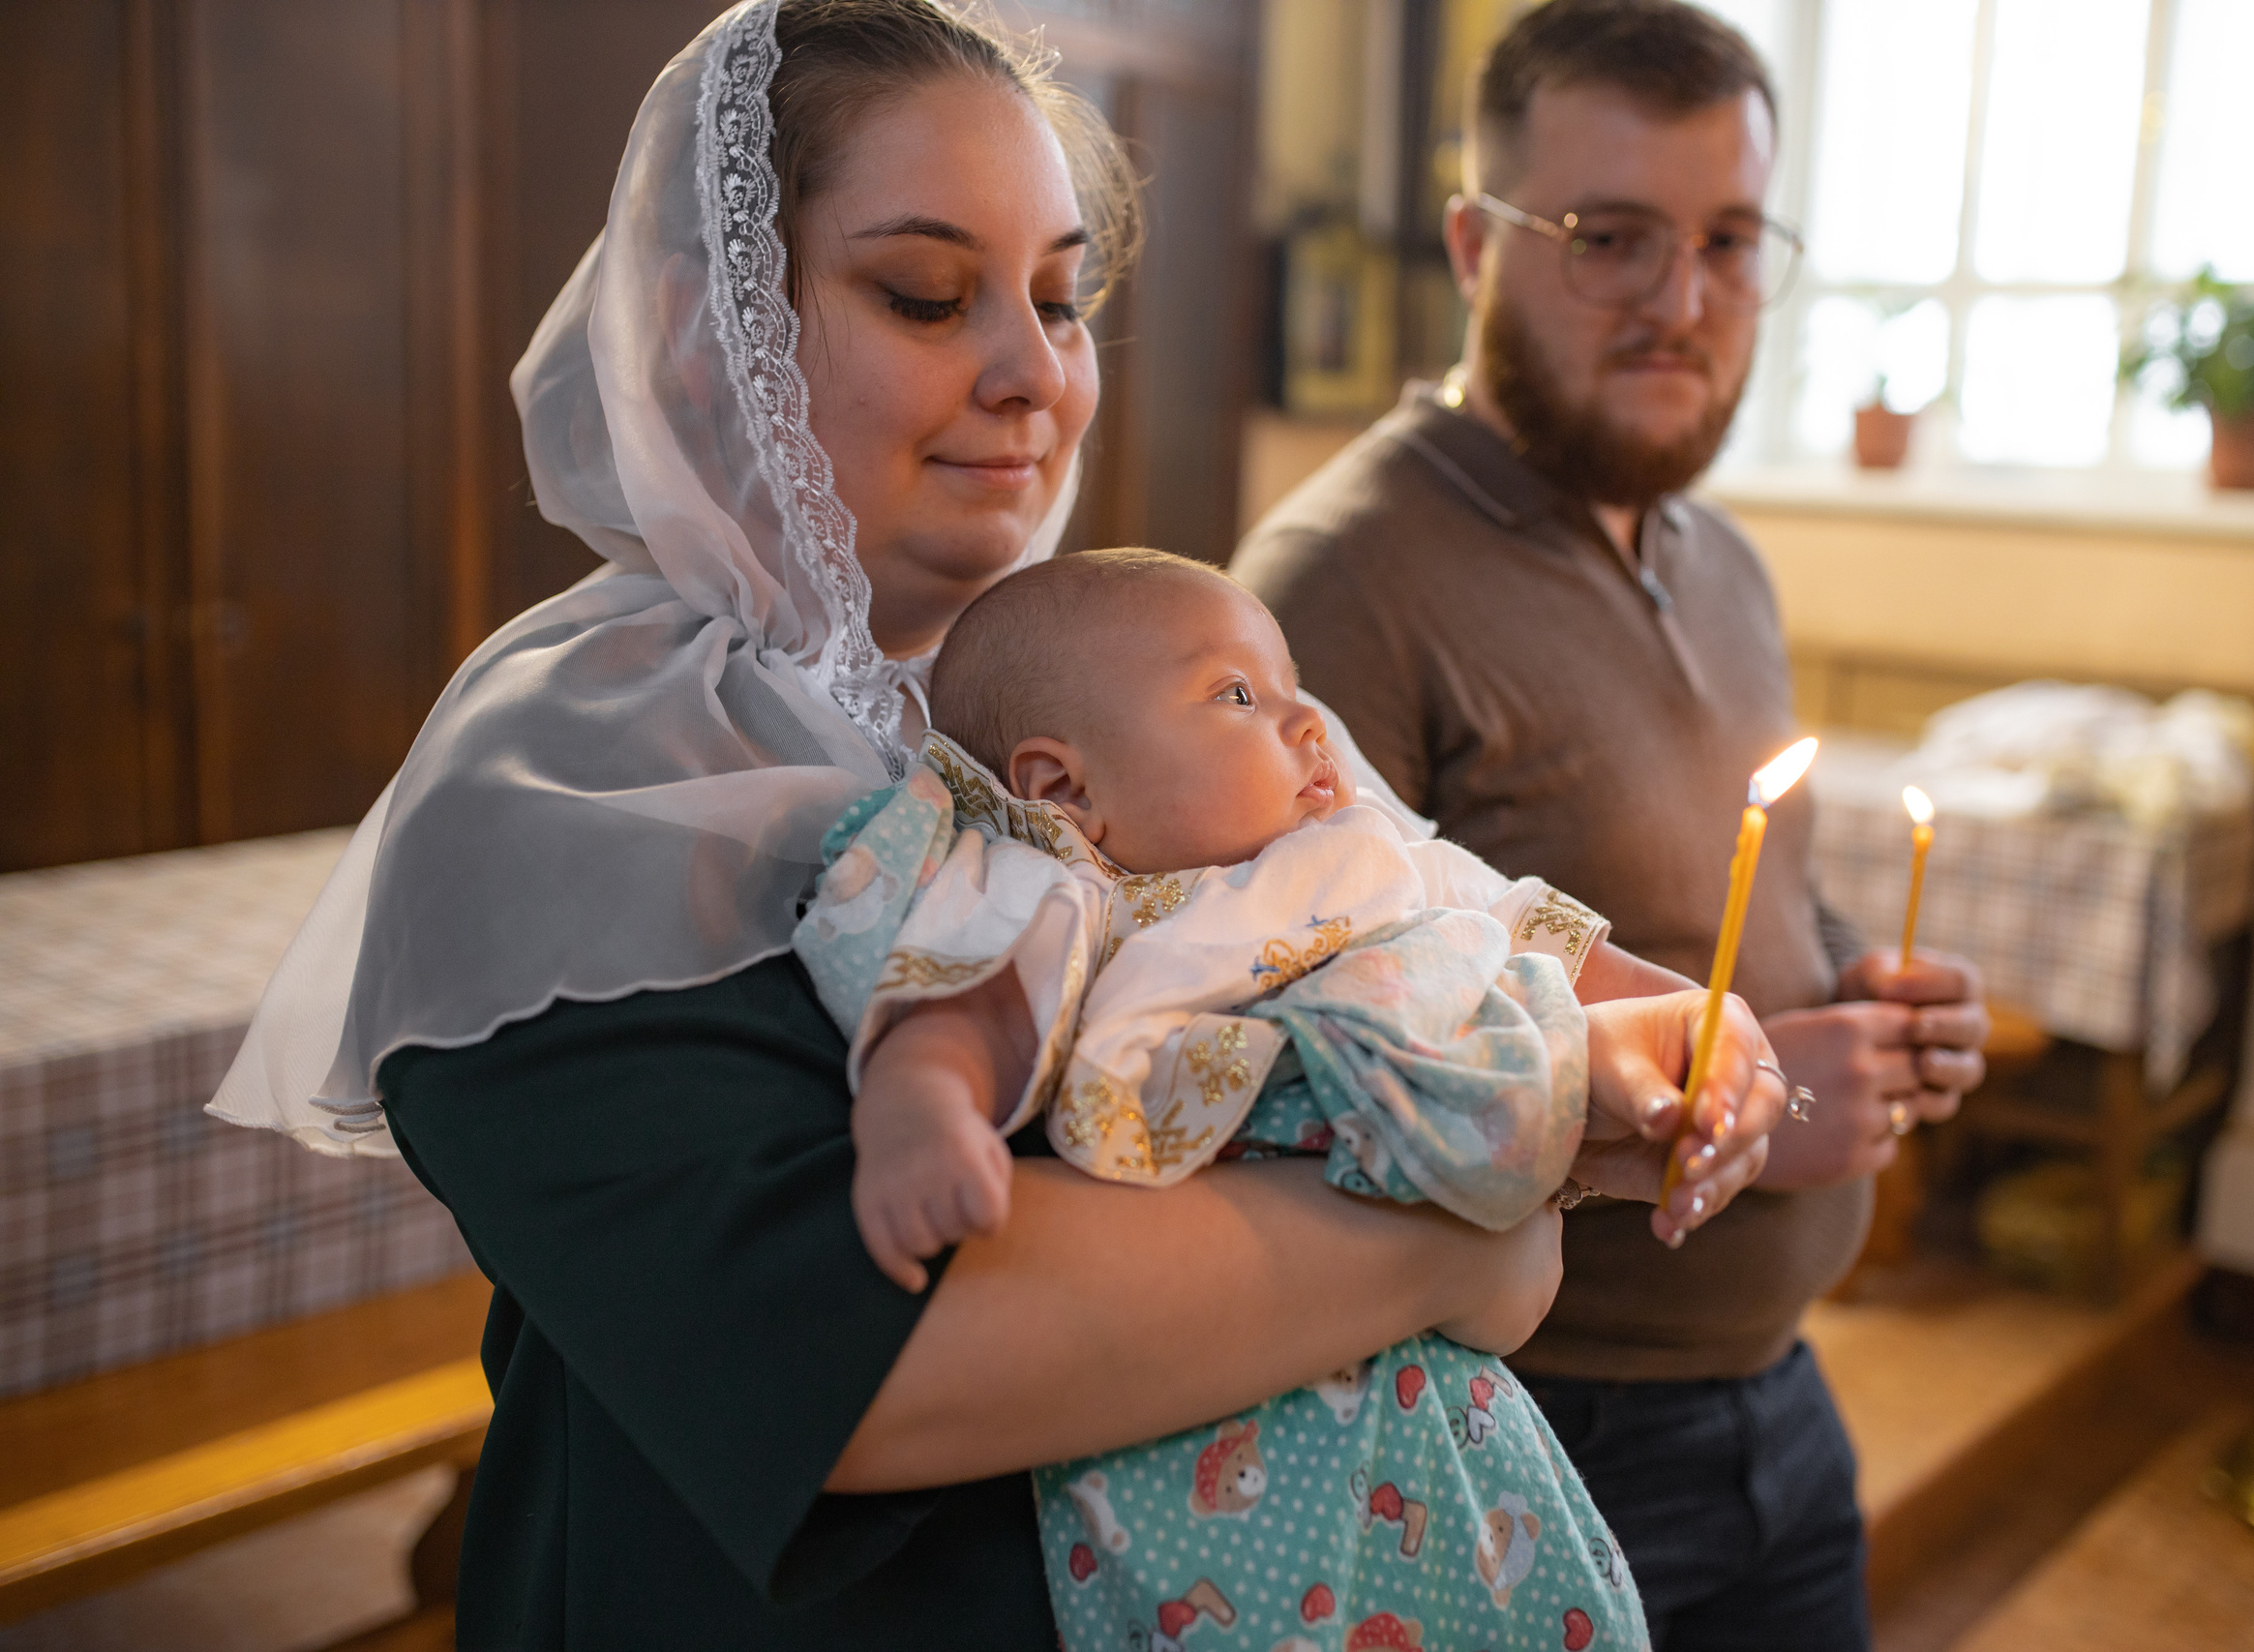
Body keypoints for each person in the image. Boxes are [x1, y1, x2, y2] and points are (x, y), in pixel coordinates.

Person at [205, 4, 1783, 1645]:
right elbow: (862, 1378)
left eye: (1060, 296)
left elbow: (1438, 972)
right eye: (928, 293)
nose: (1034, 376)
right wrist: (1459, 1236)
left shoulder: (1139, 685)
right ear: (703, 331)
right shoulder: (574, 776)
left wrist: (1631, 1055)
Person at [1231, 3, 1993, 1648]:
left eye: (1729, 240)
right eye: (1611, 239)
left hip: (1780, 1404)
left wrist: (1869, 998)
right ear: (1471, 245)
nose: (1685, 300)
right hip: (1522, 1435)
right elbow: (1284, 1088)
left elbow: (1745, 912)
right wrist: (1724, 1107)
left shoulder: (1718, 555)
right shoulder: (1333, 583)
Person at [799, 547, 1679, 1651]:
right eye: (1237, 696)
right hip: (1205, 1374)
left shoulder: (1356, 854)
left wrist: (1698, 1023)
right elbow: (962, 1000)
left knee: (1488, 1578)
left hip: (1429, 1379)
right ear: (1065, 787)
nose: (1306, 722)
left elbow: (1531, 925)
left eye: (1290, 687)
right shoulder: (1058, 888)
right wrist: (922, 1109)